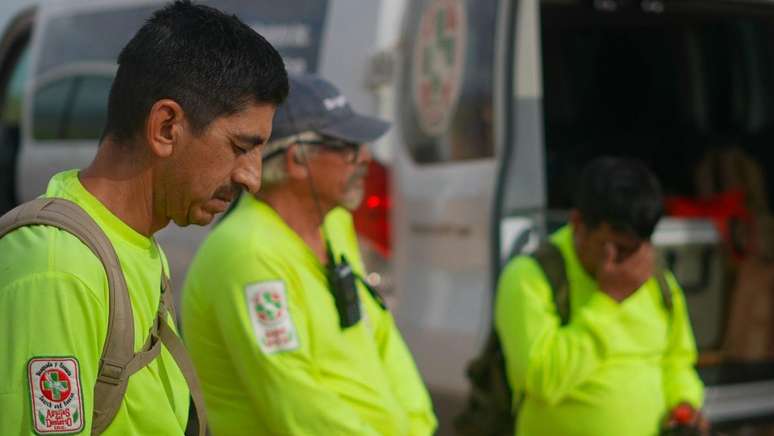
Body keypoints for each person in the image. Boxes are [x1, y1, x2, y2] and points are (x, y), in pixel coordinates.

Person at [0, 1, 288, 434]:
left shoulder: (132, 241)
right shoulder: (59, 269)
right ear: (166, 127)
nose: (252, 178)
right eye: (241, 146)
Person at [181, 74, 437, 436]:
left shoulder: (334, 225)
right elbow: (296, 405)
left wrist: (419, 425)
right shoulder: (247, 254)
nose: (365, 158)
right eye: (347, 147)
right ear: (296, 161)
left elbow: (381, 335)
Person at [495, 157, 707, 436]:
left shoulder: (656, 280)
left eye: (634, 250)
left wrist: (684, 406)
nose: (625, 264)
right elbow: (541, 380)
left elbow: (677, 361)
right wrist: (608, 302)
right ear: (578, 224)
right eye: (613, 248)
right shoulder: (530, 277)